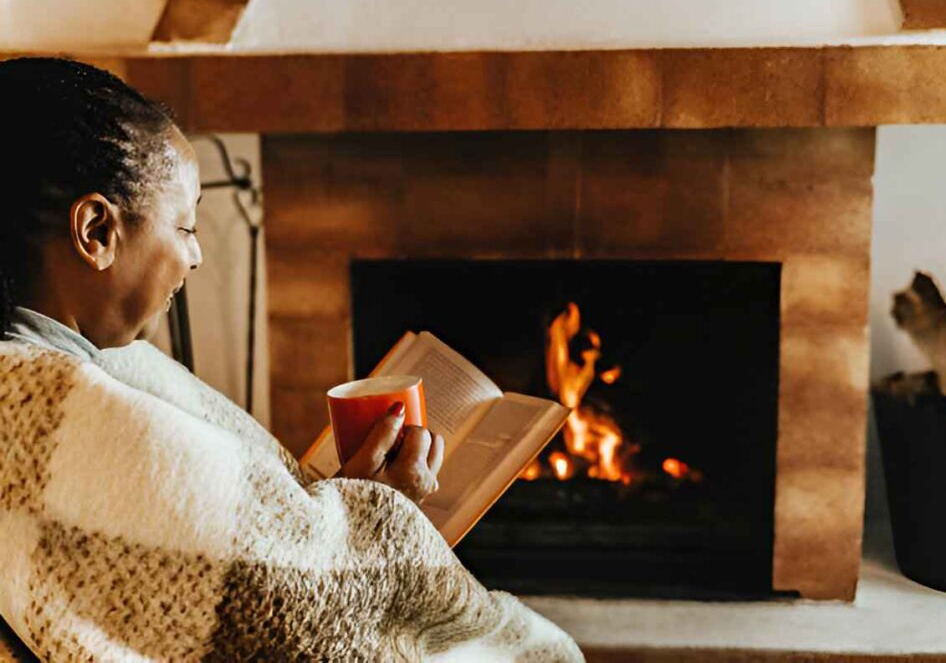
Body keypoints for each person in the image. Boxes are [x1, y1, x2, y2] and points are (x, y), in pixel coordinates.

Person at [0, 57, 583, 662]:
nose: (196, 257)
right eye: (185, 225)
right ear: (96, 231)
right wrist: (380, 520)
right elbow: (303, 618)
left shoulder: (66, 370)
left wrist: (337, 510)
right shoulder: (52, 409)